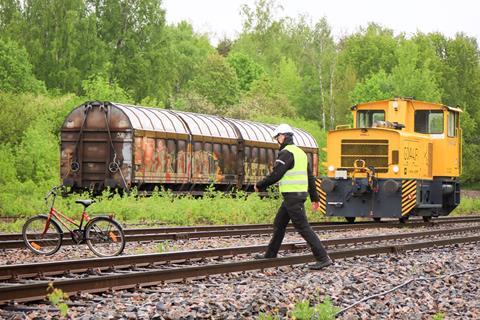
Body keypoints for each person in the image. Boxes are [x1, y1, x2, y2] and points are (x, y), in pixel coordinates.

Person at [254, 124, 333, 270]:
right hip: (295, 196)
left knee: (303, 227)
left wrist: (260, 185)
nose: (277, 140)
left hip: (293, 197)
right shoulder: (301, 153)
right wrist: (315, 198)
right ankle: (271, 254)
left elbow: (276, 174)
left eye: (277, 137)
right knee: (279, 223)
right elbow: (310, 177)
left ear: (283, 136)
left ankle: (323, 258)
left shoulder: (286, 153)